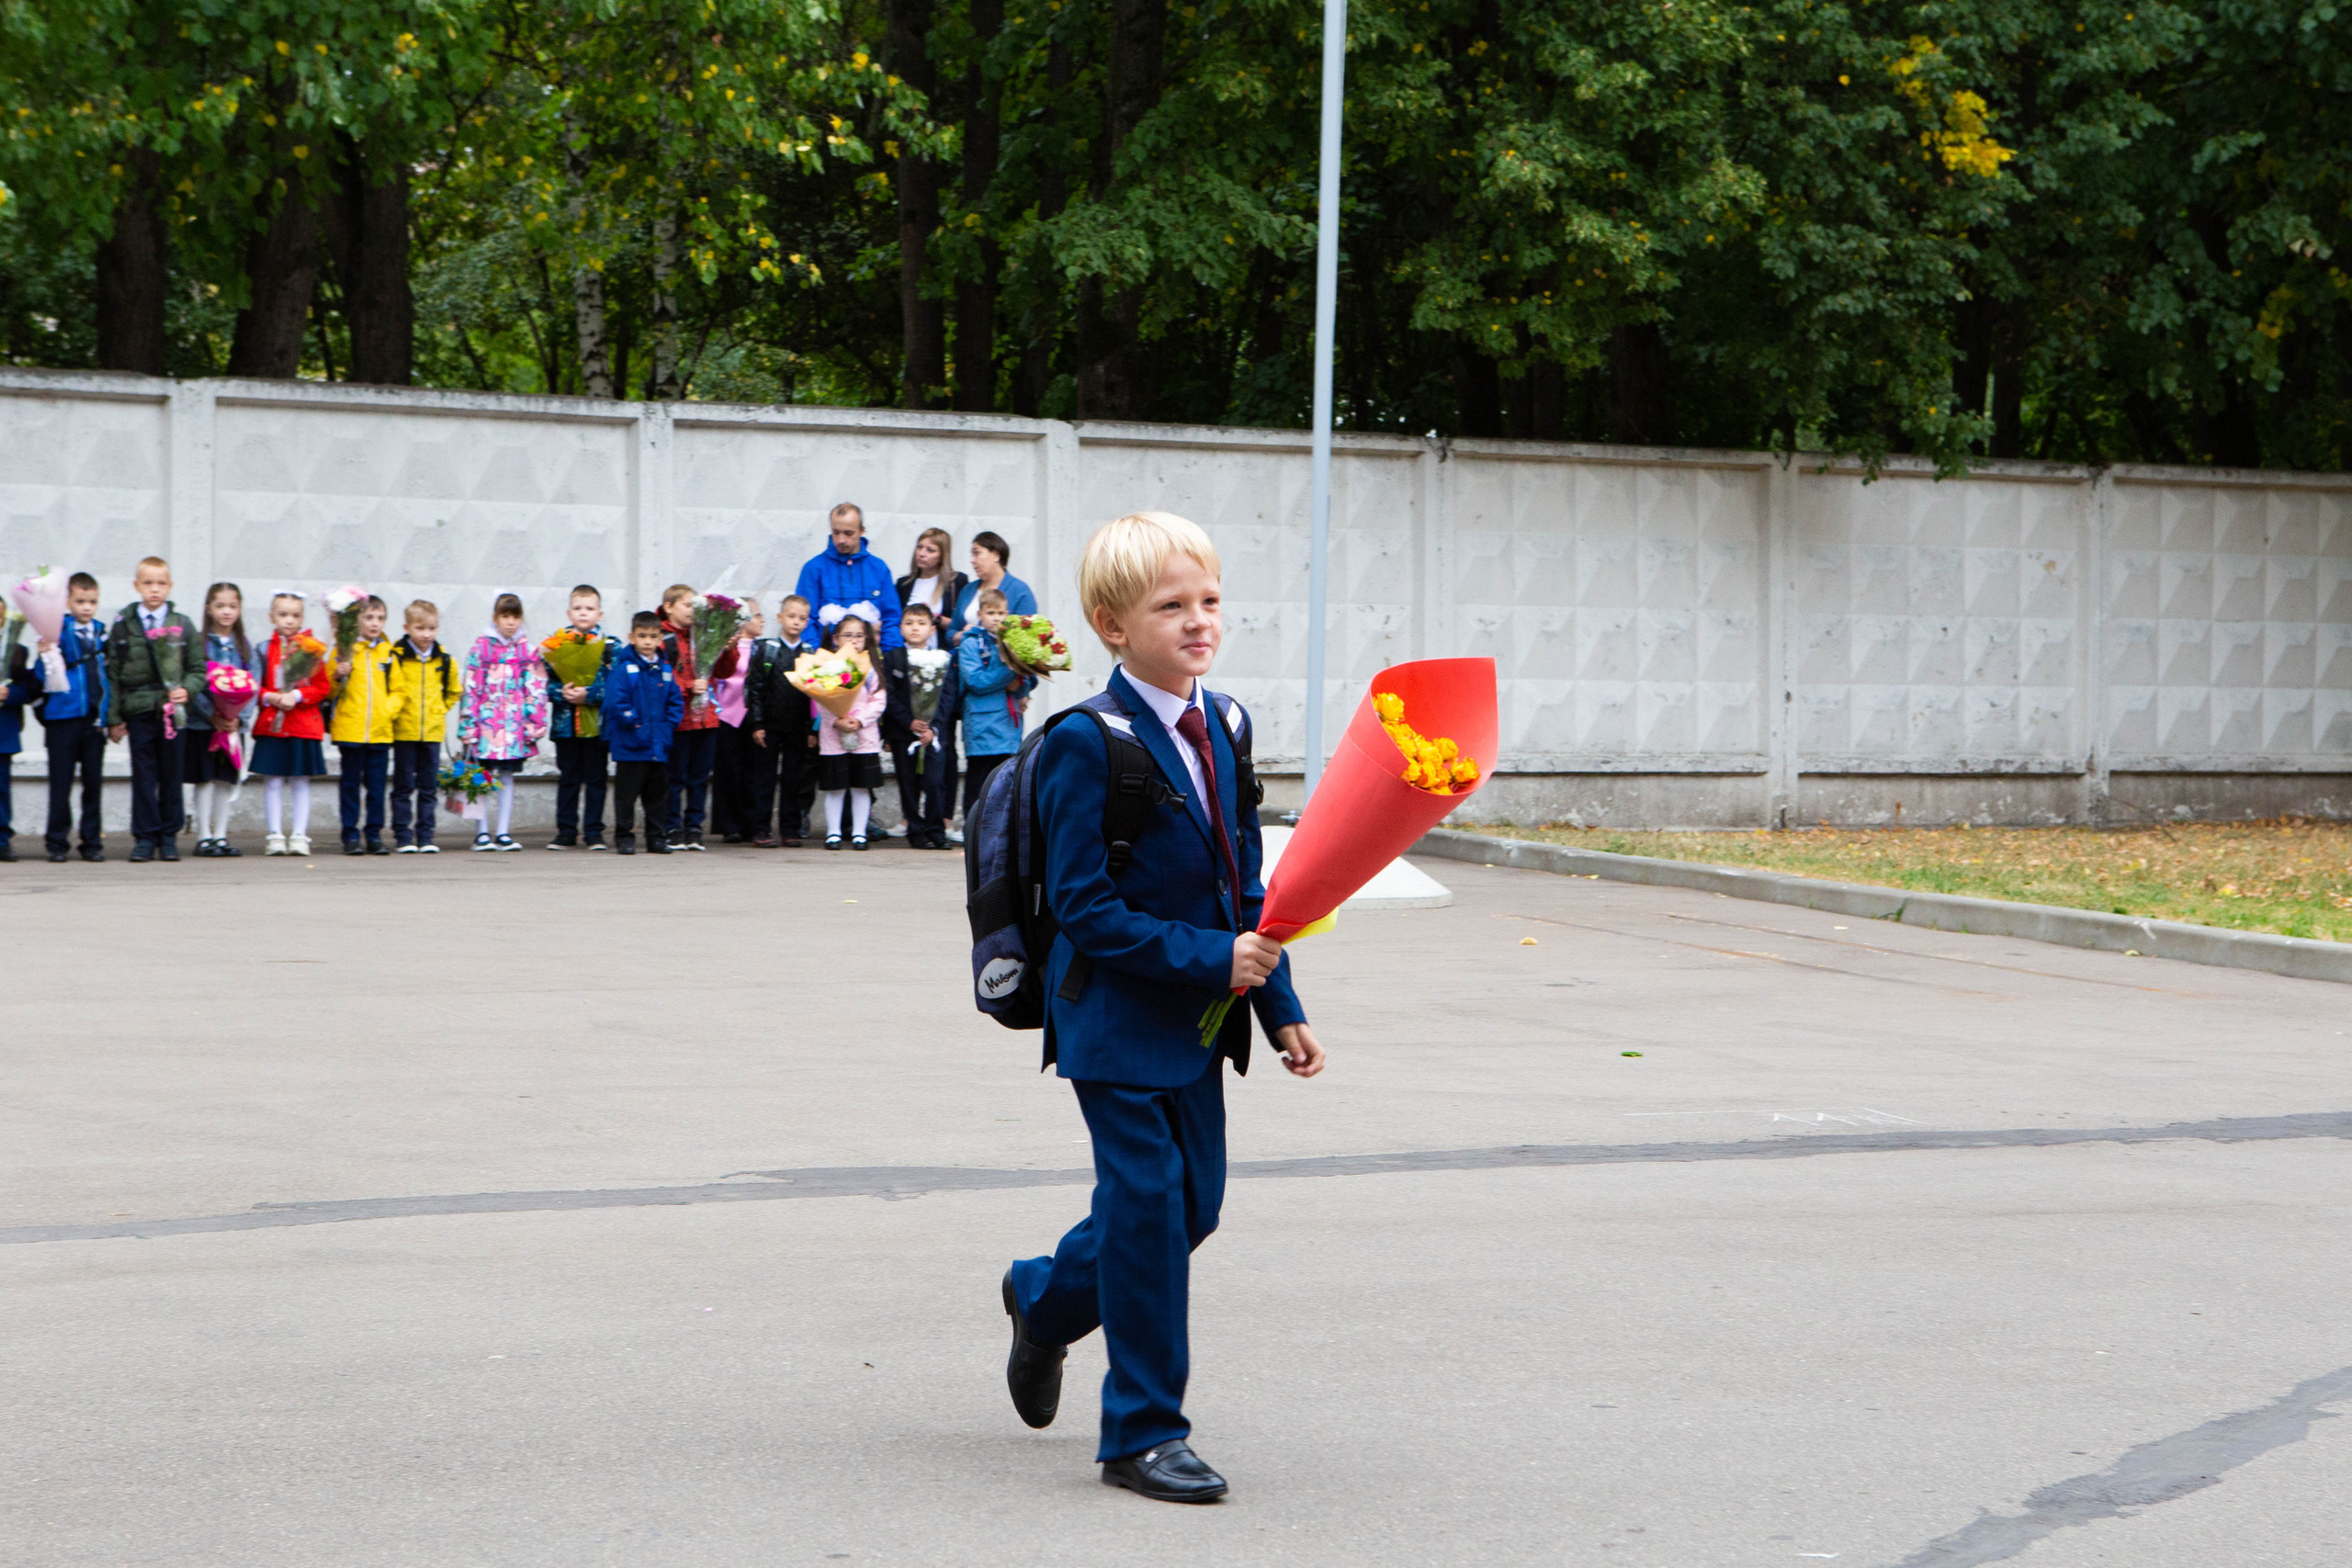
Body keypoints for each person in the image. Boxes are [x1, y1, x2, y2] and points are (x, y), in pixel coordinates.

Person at [1001, 511, 1325, 1504]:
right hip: (1111, 1021)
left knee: (1191, 1211)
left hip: (1203, 1018)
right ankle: (1142, 1433)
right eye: (1170, 606)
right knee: (1146, 1214)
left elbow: (1247, 887)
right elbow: (1085, 912)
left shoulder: (1223, 724)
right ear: (1110, 624)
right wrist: (1212, 958)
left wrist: (1277, 1001)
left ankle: (1044, 1300)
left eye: (1210, 602)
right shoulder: (1083, 744)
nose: (1198, 623)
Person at [104, 556, 200, 862]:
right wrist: (115, 718)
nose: (154, 590)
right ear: (137, 586)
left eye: (161, 583)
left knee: (172, 774)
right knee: (143, 775)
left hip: (173, 711)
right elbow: (114, 674)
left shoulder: (182, 625)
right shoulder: (123, 626)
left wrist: (189, 688)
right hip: (139, 710)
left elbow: (198, 668)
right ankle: (145, 837)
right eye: (148, 583)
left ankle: (169, 836)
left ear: (170, 586)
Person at [458, 593, 549, 852]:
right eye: (505, 616)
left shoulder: (526, 650)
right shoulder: (481, 648)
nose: (510, 622)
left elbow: (535, 687)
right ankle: (482, 832)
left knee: (507, 777)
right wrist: (469, 726)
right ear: (495, 618)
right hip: (487, 727)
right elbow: (472, 688)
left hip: (513, 728)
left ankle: (503, 832)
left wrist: (534, 723)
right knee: (482, 778)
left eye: (515, 616)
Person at [251, 592, 334, 857]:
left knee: (300, 780)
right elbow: (253, 685)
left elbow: (322, 686)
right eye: (283, 615)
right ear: (272, 617)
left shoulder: (311, 649)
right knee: (273, 781)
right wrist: (270, 696)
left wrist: (297, 695)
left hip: (302, 725)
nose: (289, 620)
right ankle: (274, 834)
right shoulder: (264, 649)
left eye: (295, 615)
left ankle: (299, 835)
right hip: (272, 725)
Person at [185, 581, 263, 858]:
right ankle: (203, 835)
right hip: (204, 725)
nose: (226, 612)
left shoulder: (245, 647)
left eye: (232, 606)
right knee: (204, 778)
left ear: (240, 610)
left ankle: (220, 835)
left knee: (225, 780)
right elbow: (193, 681)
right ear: (208, 608)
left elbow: (253, 684)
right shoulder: (198, 643)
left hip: (231, 728)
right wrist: (211, 714)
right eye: (220, 606)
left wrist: (238, 718)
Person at [40, 572, 111, 863]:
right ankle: (57, 843)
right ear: (68, 601)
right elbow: (39, 675)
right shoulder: (55, 630)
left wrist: (110, 716)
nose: (86, 607)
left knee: (93, 784)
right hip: (62, 719)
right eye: (80, 601)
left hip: (93, 721)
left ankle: (91, 842)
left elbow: (110, 676)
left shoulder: (102, 633)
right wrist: (45, 653)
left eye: (92, 602)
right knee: (61, 784)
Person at [660, 582, 737, 850]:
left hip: (707, 716)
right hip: (678, 719)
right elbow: (661, 678)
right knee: (675, 776)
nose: (693, 611)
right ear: (669, 608)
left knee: (699, 777)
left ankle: (694, 827)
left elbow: (724, 672)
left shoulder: (704, 634)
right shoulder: (662, 638)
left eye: (696, 606)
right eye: (688, 605)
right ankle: (671, 827)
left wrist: (728, 649)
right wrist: (689, 687)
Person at [603, 611, 684, 855]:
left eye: (652, 636)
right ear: (632, 637)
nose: (648, 641)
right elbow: (616, 702)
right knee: (626, 796)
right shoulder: (624, 669)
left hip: (658, 745)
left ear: (660, 637)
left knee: (657, 796)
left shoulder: (665, 670)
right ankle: (625, 837)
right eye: (642, 636)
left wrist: (667, 726)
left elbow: (675, 702)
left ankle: (656, 837)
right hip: (630, 745)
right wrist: (635, 723)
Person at [330, 595, 403, 856]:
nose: (375, 624)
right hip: (351, 729)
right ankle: (350, 835)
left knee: (377, 788)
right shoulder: (344, 650)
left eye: (380, 618)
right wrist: (337, 675)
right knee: (350, 785)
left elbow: (399, 689)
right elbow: (327, 690)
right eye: (369, 617)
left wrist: (387, 711)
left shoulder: (389, 652)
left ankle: (373, 835)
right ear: (357, 620)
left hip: (380, 733)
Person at [545, 584, 617, 851]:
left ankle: (594, 832)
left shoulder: (610, 646)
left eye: (589, 609)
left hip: (597, 726)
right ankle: (565, 830)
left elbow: (616, 685)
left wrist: (591, 694)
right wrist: (560, 691)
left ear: (599, 614)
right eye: (578, 608)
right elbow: (543, 684)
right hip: (566, 725)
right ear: (569, 613)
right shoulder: (557, 644)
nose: (583, 614)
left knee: (596, 778)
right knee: (568, 777)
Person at [881, 602, 958, 849]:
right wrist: (909, 723)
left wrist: (933, 728)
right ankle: (915, 830)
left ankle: (936, 831)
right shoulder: (893, 658)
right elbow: (889, 695)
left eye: (921, 623)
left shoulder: (943, 659)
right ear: (901, 628)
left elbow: (948, 695)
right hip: (905, 733)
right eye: (909, 623)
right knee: (908, 782)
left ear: (932, 629)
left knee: (935, 781)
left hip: (934, 734)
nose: (915, 628)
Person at [388, 600, 460, 853]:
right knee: (403, 786)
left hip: (431, 733)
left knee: (428, 787)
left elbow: (453, 691)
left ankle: (426, 835)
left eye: (432, 628)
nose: (427, 634)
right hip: (404, 732)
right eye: (420, 628)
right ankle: (403, 835)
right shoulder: (396, 657)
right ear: (407, 627)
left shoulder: (444, 660)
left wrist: (439, 710)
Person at [744, 593, 815, 846]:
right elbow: (754, 689)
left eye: (802, 618)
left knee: (794, 779)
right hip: (770, 726)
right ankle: (760, 828)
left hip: (797, 726)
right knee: (764, 777)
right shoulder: (766, 650)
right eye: (791, 616)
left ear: (808, 622)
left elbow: (815, 696)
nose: (796, 622)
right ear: (780, 617)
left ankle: (790, 828)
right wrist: (757, 724)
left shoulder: (810, 654)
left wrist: (811, 729)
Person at [814, 604, 886, 850]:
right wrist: (837, 719)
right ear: (835, 639)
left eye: (859, 635)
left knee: (860, 786)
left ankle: (859, 833)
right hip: (833, 736)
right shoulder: (827, 667)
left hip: (864, 736)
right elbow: (819, 698)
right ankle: (833, 832)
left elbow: (879, 700)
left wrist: (860, 720)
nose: (854, 641)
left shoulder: (871, 668)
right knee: (836, 788)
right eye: (848, 635)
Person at [956, 588, 1034, 810]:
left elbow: (1023, 679)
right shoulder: (972, 643)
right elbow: (976, 681)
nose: (996, 618)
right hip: (982, 724)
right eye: (990, 613)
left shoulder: (1012, 641)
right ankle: (971, 829)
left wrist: (1021, 684)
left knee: (1005, 782)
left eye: (1000, 613)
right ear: (980, 614)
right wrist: (1009, 675)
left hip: (1008, 723)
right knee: (978, 781)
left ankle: (998, 830)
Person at [795, 502, 905, 649]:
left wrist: (888, 657)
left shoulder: (879, 568)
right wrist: (817, 657)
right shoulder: (813, 568)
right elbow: (805, 619)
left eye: (848, 533)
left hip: (870, 660)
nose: (841, 540)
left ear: (862, 530)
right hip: (825, 662)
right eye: (836, 532)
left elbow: (891, 618)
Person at [710, 596, 763, 842]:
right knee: (728, 769)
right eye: (756, 615)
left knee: (752, 769)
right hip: (727, 712)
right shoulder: (725, 646)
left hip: (752, 715)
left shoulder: (762, 649)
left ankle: (751, 822)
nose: (762, 620)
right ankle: (728, 824)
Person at [951, 529, 1038, 643]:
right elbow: (952, 630)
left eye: (977, 553)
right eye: (972, 555)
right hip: (967, 658)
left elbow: (1028, 633)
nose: (972, 560)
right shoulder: (968, 590)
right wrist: (961, 635)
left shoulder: (1020, 591)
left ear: (996, 555)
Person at [0, 625, 39, 861]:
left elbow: (28, 690)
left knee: (1, 789)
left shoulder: (16, 651)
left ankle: (2, 839)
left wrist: (9, 693)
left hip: (3, 731)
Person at [896, 527, 969, 646]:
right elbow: (896, 621)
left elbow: (961, 625)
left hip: (943, 654)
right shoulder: (904, 584)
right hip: (908, 655)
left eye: (930, 550)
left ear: (942, 556)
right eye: (919, 547)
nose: (922, 554)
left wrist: (935, 618)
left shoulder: (956, 582)